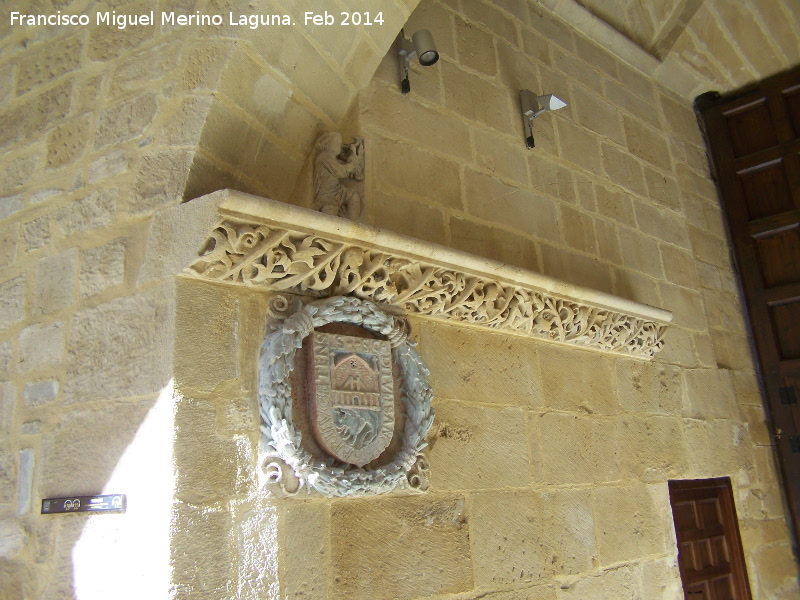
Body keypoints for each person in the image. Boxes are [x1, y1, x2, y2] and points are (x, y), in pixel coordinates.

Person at [312, 132, 364, 219]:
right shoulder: (324, 157)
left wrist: (350, 156)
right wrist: (353, 163)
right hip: (327, 194)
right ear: (327, 144)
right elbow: (340, 171)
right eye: (336, 143)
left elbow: (343, 166)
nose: (339, 146)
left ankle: (351, 221)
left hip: (337, 191)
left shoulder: (332, 159)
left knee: (353, 195)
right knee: (331, 213)